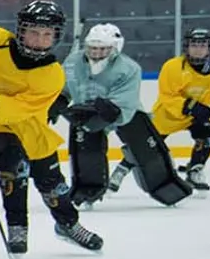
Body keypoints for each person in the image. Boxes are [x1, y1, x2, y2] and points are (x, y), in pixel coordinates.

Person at [0, 0, 102, 254]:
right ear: (20, 30)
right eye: (33, 32)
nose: (39, 40)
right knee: (14, 165)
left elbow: (21, 108)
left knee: (51, 182)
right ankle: (17, 226)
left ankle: (68, 223)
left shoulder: (51, 75)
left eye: (47, 35)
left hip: (32, 127)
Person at [62, 23, 186, 207]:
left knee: (147, 151)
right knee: (86, 153)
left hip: (125, 112)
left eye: (102, 49)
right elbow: (63, 88)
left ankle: (165, 186)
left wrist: (98, 110)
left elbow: (122, 105)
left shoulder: (129, 68)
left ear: (115, 48)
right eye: (92, 48)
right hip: (87, 112)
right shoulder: (72, 62)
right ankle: (87, 190)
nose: (95, 53)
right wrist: (58, 102)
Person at [127, 26, 210, 193]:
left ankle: (195, 170)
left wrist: (199, 110)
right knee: (145, 144)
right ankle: (120, 171)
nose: (198, 49)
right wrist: (192, 106)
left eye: (202, 45)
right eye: (194, 45)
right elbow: (167, 96)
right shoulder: (173, 66)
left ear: (209, 48)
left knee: (208, 135)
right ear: (187, 47)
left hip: (196, 117)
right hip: (168, 115)